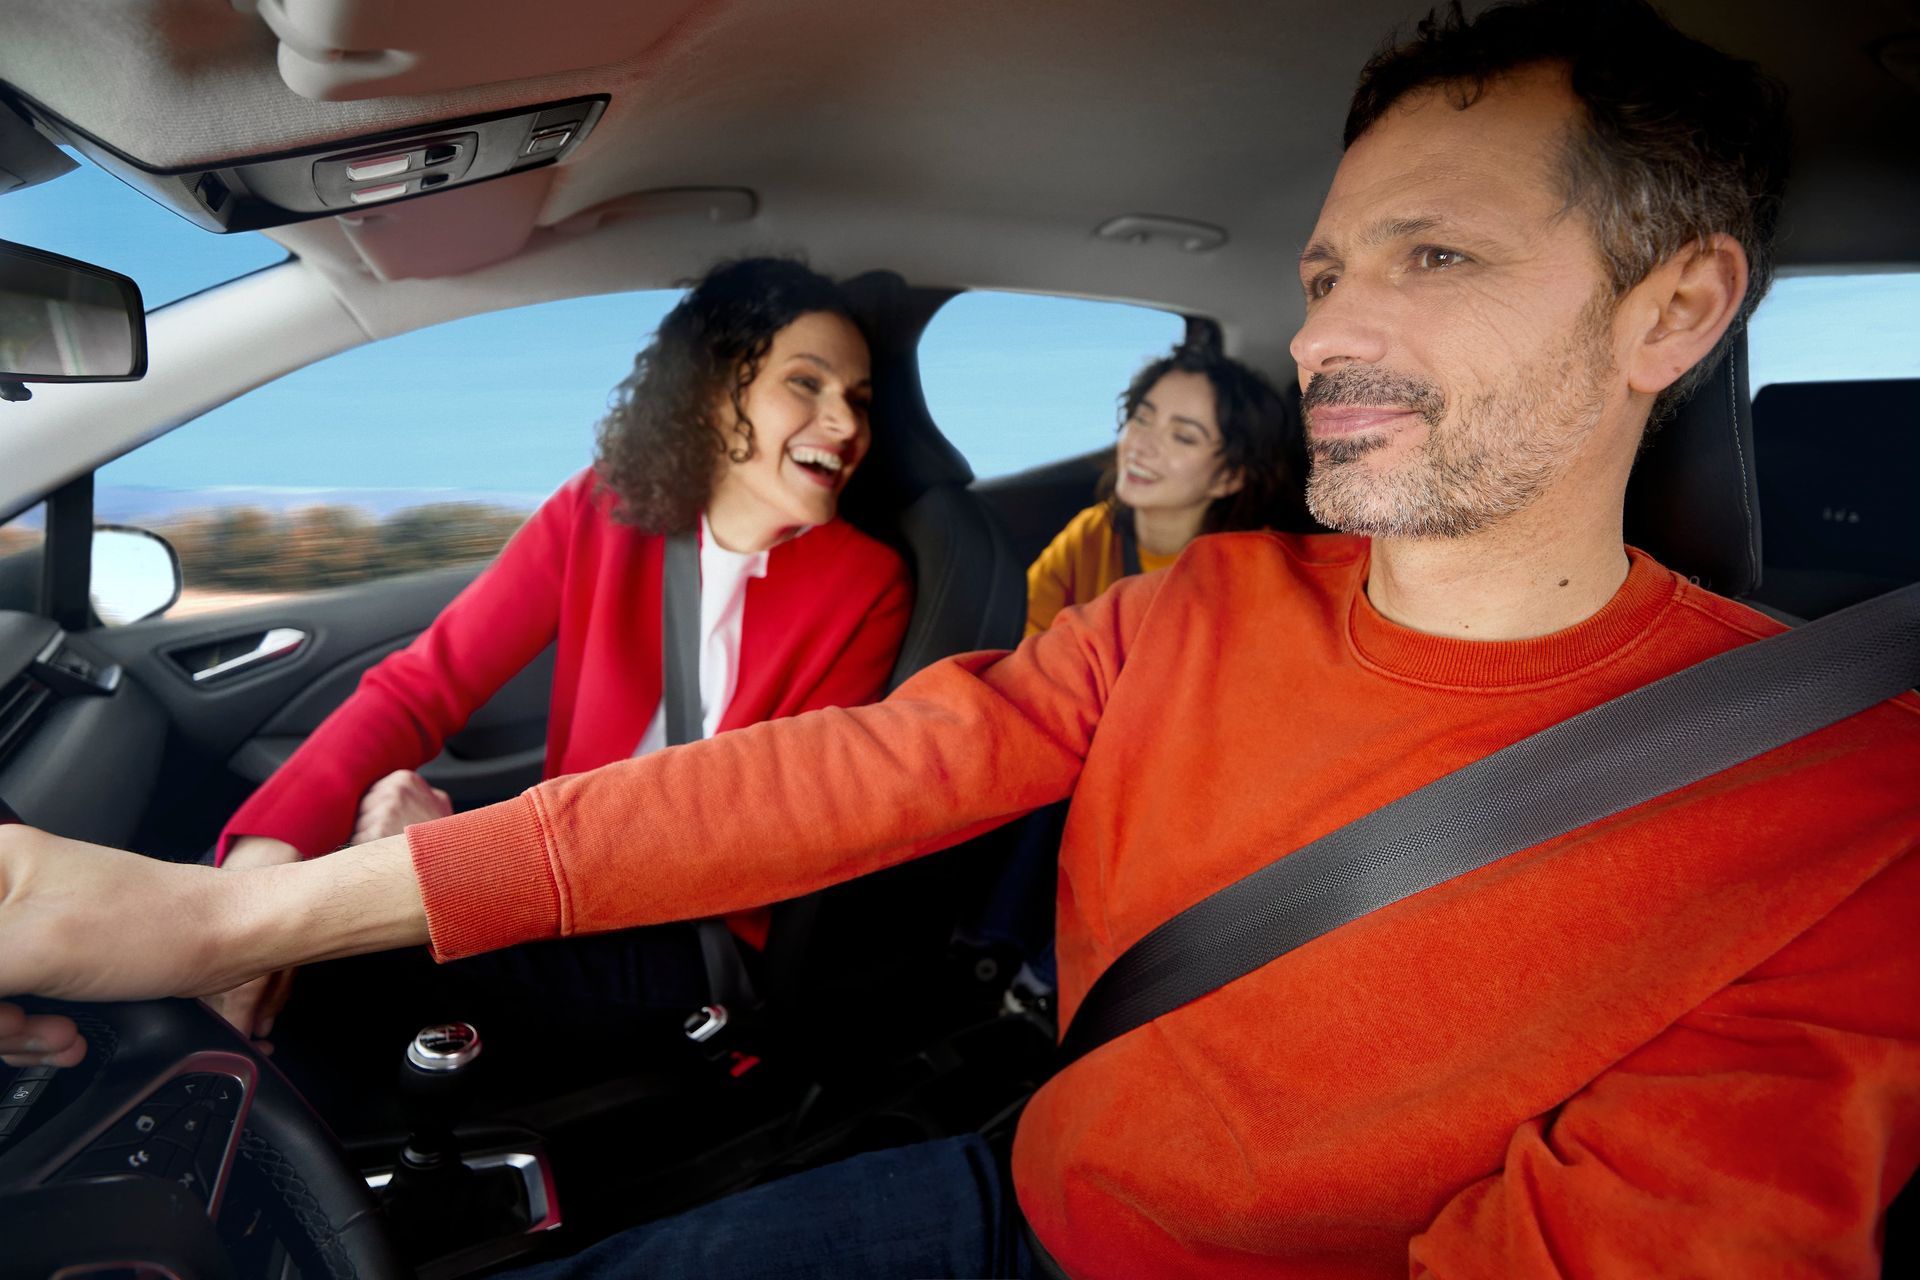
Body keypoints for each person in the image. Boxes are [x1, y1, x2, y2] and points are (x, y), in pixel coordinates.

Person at [4, 2, 1917, 1277]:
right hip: (1005, 1192)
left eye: (1439, 257)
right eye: (1326, 269)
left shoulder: (1848, 798)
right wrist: (229, 913)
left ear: (1675, 314)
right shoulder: (1195, 611)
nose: (1329, 332)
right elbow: (837, 777)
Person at [210, 256, 913, 1053]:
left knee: (335, 961)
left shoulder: (868, 585)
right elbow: (423, 685)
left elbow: (761, 827)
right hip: (556, 877)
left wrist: (450, 859)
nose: (848, 424)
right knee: (242, 900)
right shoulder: (602, 509)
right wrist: (269, 863)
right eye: (807, 385)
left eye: (857, 400)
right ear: (712, 393)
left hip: (690, 935)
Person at [1024, 344, 1299, 636]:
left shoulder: (1261, 574)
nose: (1141, 445)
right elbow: (1023, 641)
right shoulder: (1095, 531)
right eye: (1142, 419)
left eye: (1182, 437)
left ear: (1229, 477)